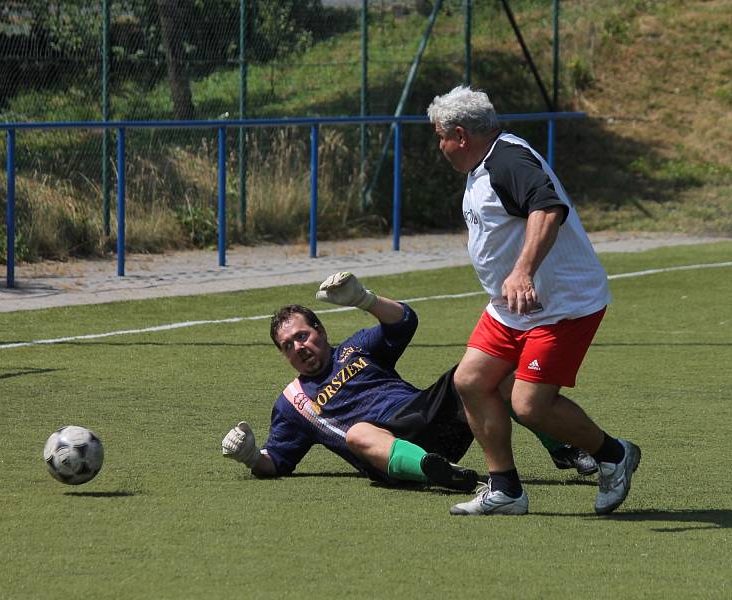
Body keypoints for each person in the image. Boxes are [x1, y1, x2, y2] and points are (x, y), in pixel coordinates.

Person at [427, 85, 641, 516]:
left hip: (562, 306)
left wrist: (522, 270)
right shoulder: (483, 166)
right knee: (470, 381)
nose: (441, 147)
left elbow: (547, 207)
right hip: (512, 308)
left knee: (528, 404)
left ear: (461, 135)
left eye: (440, 137)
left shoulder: (508, 159)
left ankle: (614, 455)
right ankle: (505, 489)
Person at [221, 271, 597, 490]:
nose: (298, 347)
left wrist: (364, 299)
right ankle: (442, 474)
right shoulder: (293, 403)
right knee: (357, 435)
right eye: (288, 346)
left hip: (427, 416)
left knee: (488, 374)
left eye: (302, 336)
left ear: (319, 330)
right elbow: (278, 461)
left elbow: (403, 322)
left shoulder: (356, 347)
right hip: (387, 452)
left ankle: (565, 449)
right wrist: (252, 456)